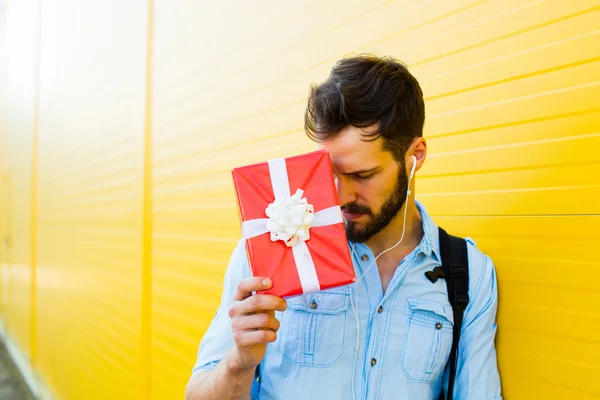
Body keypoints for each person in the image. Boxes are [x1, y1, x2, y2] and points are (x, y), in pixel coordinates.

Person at [185, 54, 502, 400]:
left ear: (416, 156)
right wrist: (239, 363)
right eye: (328, 173)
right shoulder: (272, 250)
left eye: (362, 175)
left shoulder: (468, 272)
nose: (339, 195)